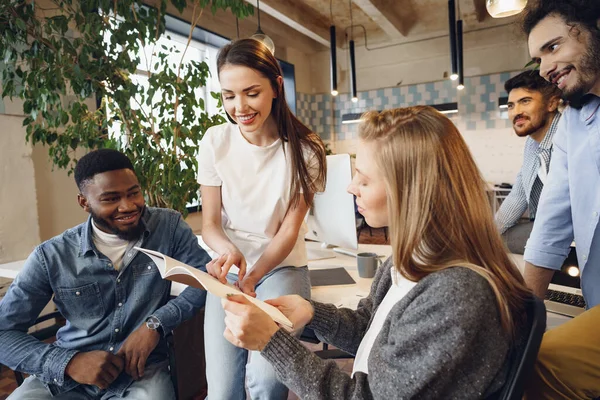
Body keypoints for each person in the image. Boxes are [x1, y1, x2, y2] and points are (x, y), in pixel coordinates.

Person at [219, 107, 532, 399]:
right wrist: (313, 313)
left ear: (408, 190)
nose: (351, 187)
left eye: (365, 180)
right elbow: (371, 327)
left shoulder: (455, 294)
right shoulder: (413, 257)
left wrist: (272, 343)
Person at [0, 149, 210, 399]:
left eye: (134, 192)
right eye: (111, 199)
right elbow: (4, 333)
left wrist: (155, 324)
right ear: (84, 202)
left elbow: (204, 279)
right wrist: (70, 363)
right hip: (66, 379)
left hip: (141, 374)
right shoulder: (51, 256)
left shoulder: (169, 227)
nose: (129, 206)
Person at [196, 38, 326, 400]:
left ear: (276, 86)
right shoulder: (214, 141)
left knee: (265, 382)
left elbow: (289, 230)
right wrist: (230, 254)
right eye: (228, 96)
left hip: (282, 266)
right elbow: (210, 225)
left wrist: (254, 274)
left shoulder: (304, 149)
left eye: (251, 92)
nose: (239, 107)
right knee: (222, 390)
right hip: (230, 271)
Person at [518, 1, 600, 399]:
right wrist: (524, 317)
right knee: (524, 360)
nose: (545, 68)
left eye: (553, 47)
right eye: (538, 58)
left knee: (542, 365)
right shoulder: (574, 121)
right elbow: (552, 219)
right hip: (595, 301)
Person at [495, 71, 562, 254]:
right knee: (490, 241)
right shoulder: (532, 144)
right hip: (546, 229)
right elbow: (519, 195)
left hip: (578, 232)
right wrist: (488, 234)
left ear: (552, 103)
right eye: (510, 105)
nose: (516, 112)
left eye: (525, 101)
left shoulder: (569, 137)